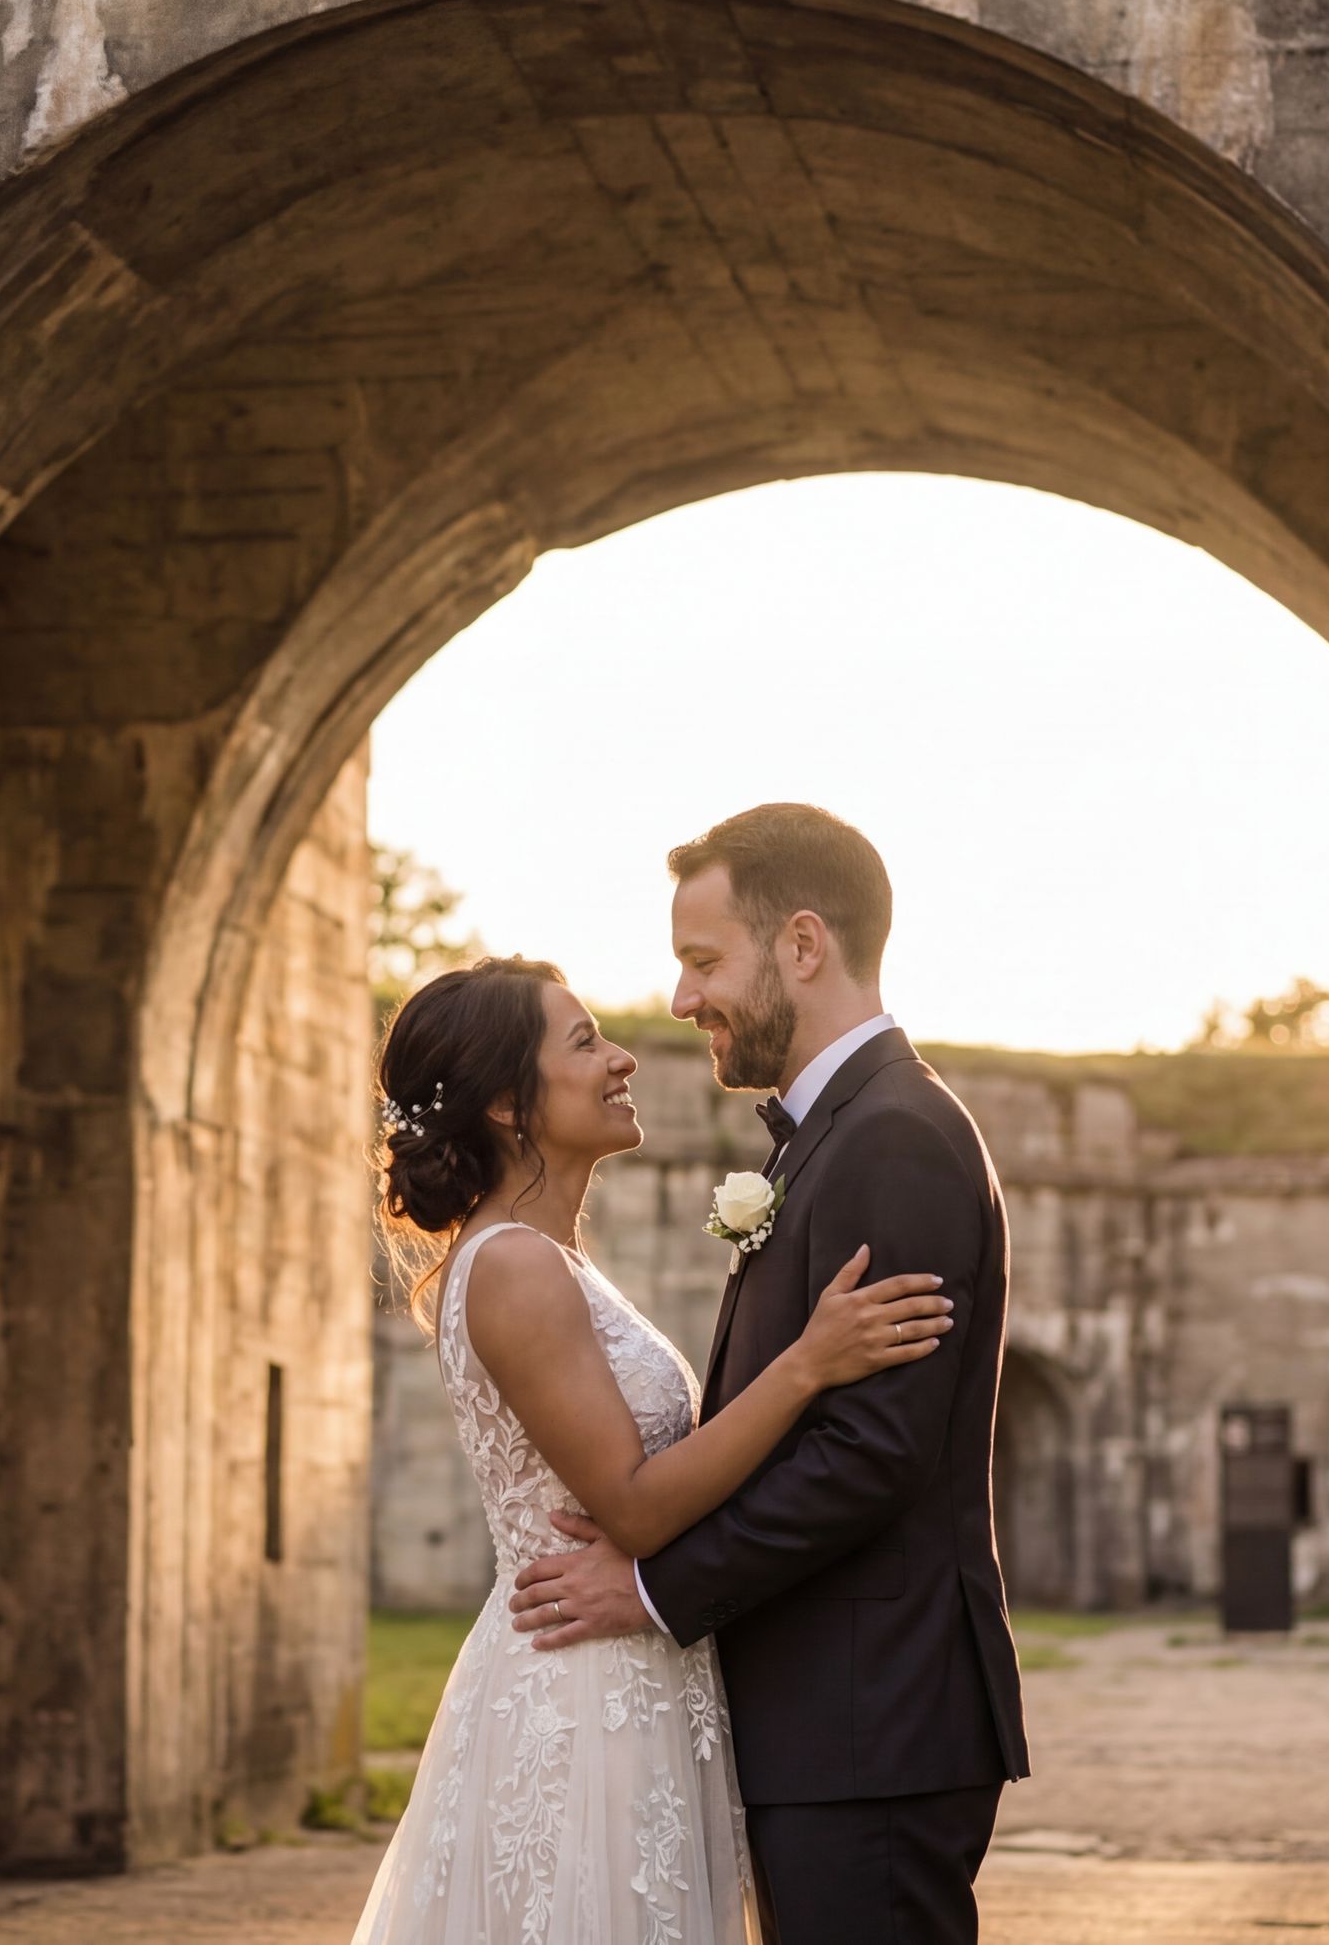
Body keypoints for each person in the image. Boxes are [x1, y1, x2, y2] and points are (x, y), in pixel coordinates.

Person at [350, 953, 959, 1945]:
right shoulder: (511, 1267)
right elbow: (631, 1508)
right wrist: (807, 1365)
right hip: (582, 1691)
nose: (622, 1057)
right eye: (585, 1042)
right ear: (508, 1102)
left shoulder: (549, 1261)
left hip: (629, 1672)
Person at [507, 804, 1030, 1945]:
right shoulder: (838, 1132)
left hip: (872, 1715)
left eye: (704, 962)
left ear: (803, 946)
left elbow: (873, 1453)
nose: (685, 1000)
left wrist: (651, 1593)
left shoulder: (893, 1135)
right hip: (837, 1715)